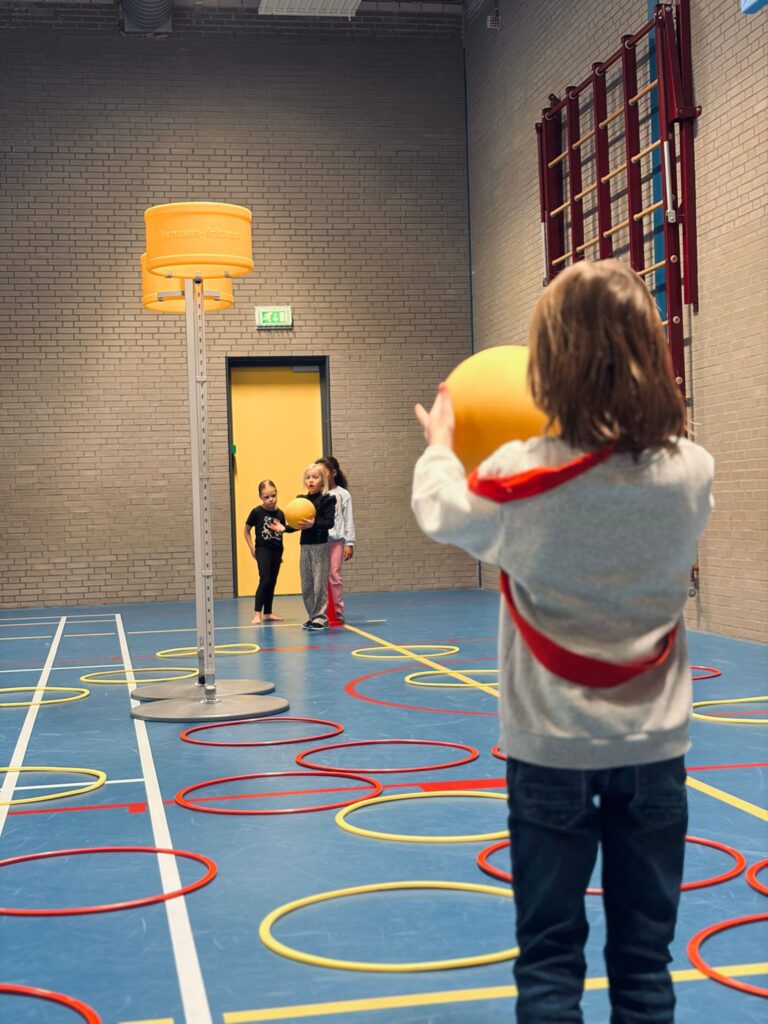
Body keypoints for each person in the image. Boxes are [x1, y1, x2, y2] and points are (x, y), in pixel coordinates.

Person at [411, 260, 714, 1024]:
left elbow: (440, 511)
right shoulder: (691, 472)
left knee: (548, 963)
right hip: (654, 752)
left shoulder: (520, 476)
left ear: (549, 363)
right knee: (645, 968)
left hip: (549, 748)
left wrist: (442, 443)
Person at [295, 462, 337, 631]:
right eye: (308, 477)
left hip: (319, 545)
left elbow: (329, 522)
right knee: (307, 584)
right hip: (305, 546)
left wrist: (314, 523)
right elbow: (294, 523)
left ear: (322, 481)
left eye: (315, 477)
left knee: (319, 584)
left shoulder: (327, 500)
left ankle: (321, 618)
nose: (311, 480)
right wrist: (283, 528)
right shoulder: (301, 500)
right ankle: (312, 616)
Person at [317, 455, 355, 625]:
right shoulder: (318, 493)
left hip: (336, 541)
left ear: (333, 472)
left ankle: (338, 612)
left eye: (322, 472)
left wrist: (349, 543)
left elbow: (348, 520)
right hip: (319, 541)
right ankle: (320, 612)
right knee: (319, 577)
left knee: (334, 576)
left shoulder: (343, 494)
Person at [243, 479, 287, 626]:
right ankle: (257, 613)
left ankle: (268, 613)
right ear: (260, 497)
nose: (271, 499)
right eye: (266, 497)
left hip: (276, 551)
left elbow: (280, 534)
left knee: (273, 581)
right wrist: (251, 548)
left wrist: (281, 554)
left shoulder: (280, 514)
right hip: (262, 549)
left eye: (273, 495)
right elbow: (246, 530)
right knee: (265, 578)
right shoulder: (257, 512)